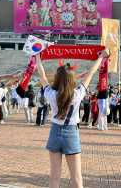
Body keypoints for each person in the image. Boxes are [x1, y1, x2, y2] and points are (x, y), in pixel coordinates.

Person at [36, 49, 109, 188]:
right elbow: (90, 74)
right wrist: (101, 57)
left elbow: (43, 76)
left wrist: (37, 58)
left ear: (57, 79)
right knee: (76, 177)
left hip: (55, 132)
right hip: (71, 133)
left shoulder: (51, 94)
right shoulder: (78, 94)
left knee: (54, 177)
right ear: (72, 80)